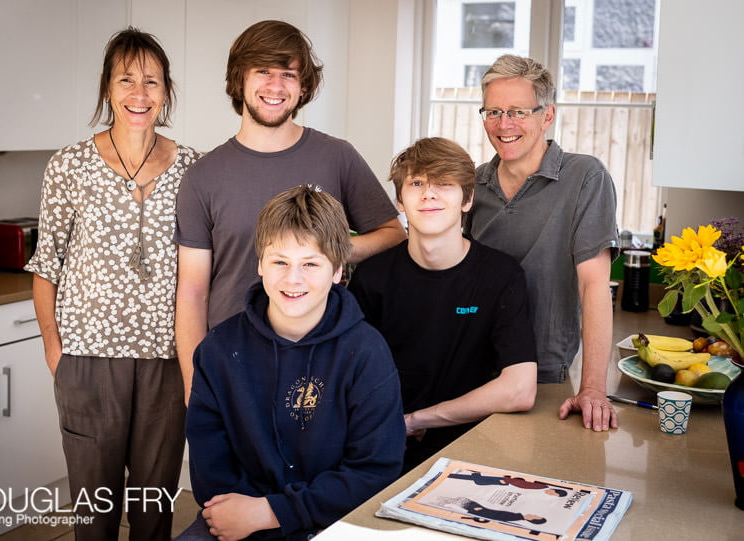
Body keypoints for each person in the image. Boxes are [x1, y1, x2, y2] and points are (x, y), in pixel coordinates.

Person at [25, 27, 201, 540]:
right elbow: (46, 266)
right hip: (87, 360)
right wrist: (55, 351)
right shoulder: (69, 165)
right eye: (126, 80)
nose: (139, 94)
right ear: (107, 88)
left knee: (154, 509)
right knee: (94, 515)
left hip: (168, 361)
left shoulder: (194, 167)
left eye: (151, 81)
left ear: (167, 90)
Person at [174, 20, 406, 404]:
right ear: (239, 79)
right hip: (234, 363)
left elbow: (393, 233)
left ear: (303, 87)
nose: (275, 86)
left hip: (322, 359)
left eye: (288, 74)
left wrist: (335, 253)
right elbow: (193, 292)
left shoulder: (337, 157)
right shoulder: (203, 175)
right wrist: (194, 384)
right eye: (263, 71)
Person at [176, 185, 405, 541]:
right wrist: (249, 516)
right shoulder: (219, 350)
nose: (293, 279)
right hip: (240, 518)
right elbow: (211, 469)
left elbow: (374, 472)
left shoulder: (366, 352)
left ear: (337, 271)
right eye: (279, 262)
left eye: (310, 264)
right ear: (260, 265)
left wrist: (274, 512)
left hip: (333, 519)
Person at [348, 137, 536, 473]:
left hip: (474, 448)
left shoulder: (501, 276)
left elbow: (520, 389)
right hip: (384, 447)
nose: (428, 194)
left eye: (444, 184)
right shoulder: (371, 278)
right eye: (416, 183)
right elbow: (351, 378)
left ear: (467, 199)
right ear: (400, 201)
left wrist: (418, 419)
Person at [462, 54, 620, 431]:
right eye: (494, 112)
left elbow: (593, 284)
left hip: (544, 373)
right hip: (469, 367)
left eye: (518, 111)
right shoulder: (471, 183)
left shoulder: (585, 177)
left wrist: (594, 388)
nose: (504, 124)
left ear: (547, 116)